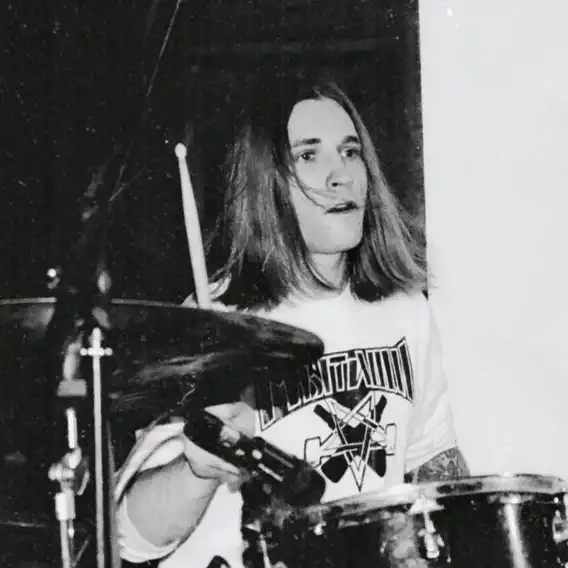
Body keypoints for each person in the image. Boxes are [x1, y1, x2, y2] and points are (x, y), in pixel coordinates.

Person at [115, 74, 469, 568]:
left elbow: (434, 457)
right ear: (267, 183)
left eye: (350, 152)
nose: (340, 176)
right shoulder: (215, 320)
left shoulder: (404, 307)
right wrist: (197, 469)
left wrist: (457, 535)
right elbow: (130, 538)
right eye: (308, 155)